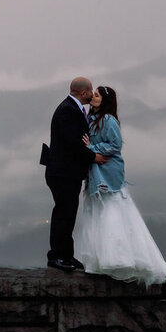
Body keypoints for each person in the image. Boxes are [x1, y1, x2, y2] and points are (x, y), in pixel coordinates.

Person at [74, 85, 166, 286]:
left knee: (111, 211)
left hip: (108, 174)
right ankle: (100, 260)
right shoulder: (92, 119)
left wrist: (91, 148)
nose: (93, 96)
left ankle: (117, 258)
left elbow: (115, 145)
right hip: (95, 174)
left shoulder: (108, 120)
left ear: (105, 100)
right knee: (98, 212)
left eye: (97, 94)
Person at [42, 76, 108, 273]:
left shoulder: (73, 109)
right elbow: (73, 143)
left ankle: (67, 255)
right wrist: (93, 157)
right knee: (63, 213)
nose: (91, 95)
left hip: (66, 172)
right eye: (90, 92)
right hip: (62, 173)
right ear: (83, 92)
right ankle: (56, 256)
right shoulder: (67, 111)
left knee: (68, 213)